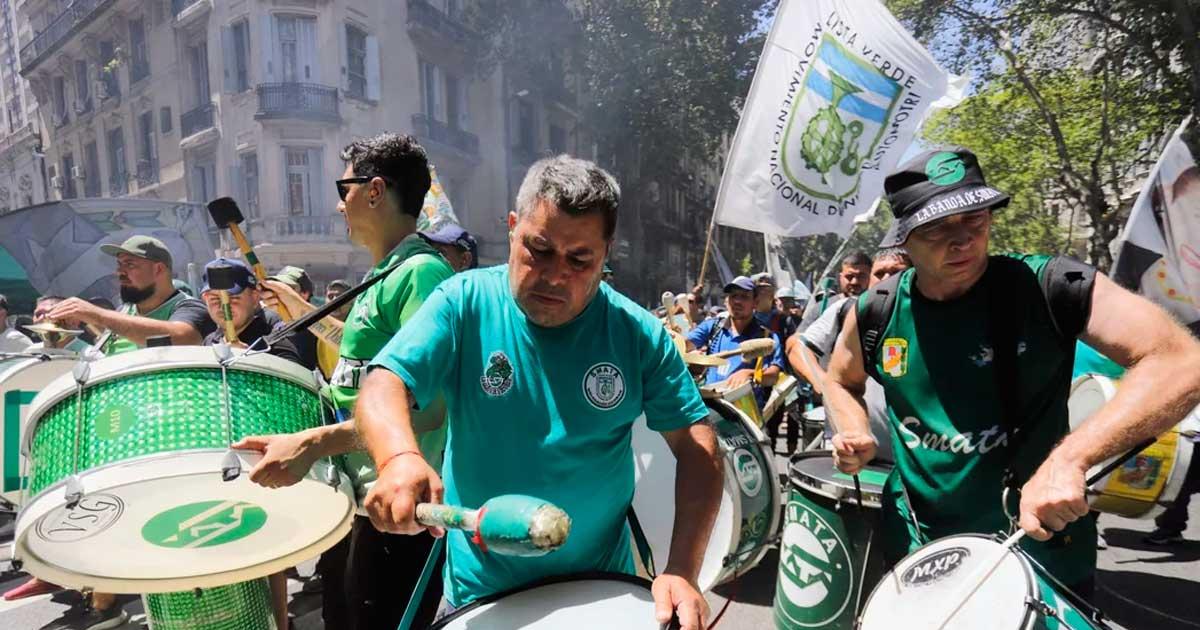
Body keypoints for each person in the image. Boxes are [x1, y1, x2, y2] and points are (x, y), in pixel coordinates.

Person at [356, 155, 722, 630]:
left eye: (579, 260)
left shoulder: (638, 334)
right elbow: (384, 382)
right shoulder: (462, 303)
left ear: (607, 252)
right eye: (539, 250)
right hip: (480, 594)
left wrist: (683, 571)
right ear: (512, 229)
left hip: (600, 590)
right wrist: (399, 456)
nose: (554, 276)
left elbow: (698, 448)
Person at [824, 148, 1200, 597]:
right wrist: (853, 428)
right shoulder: (875, 310)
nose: (962, 239)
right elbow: (840, 379)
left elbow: (1180, 361)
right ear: (903, 237)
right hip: (917, 544)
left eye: (975, 219)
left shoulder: (1048, 285)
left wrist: (1069, 460)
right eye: (938, 227)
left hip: (1039, 549)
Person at [244, 133, 455, 630]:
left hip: (401, 509)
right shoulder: (384, 275)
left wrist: (314, 442)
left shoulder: (419, 273)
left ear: (375, 189)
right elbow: (361, 356)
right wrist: (299, 311)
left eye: (345, 190)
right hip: (363, 500)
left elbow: (429, 407)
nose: (340, 205)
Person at [198, 258, 300, 630]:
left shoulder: (276, 327)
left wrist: (252, 356)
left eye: (232, 295)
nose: (221, 303)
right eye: (211, 296)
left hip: (270, 446)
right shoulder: (210, 339)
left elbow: (296, 372)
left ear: (255, 294)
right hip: (227, 444)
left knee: (269, 545)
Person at [786, 248, 912, 461]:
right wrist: (826, 384)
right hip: (853, 451)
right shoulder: (848, 309)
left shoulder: (935, 313)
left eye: (897, 272)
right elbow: (796, 345)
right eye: (880, 274)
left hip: (917, 456)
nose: (888, 280)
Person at [47, 235, 215, 354]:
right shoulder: (124, 312)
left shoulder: (189, 307)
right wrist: (69, 330)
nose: (119, 272)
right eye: (119, 264)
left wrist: (96, 314)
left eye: (129, 264)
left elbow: (181, 336)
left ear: (158, 269)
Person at [686, 276, 786, 409]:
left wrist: (749, 373)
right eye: (733, 296)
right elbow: (684, 345)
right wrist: (692, 356)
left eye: (744, 297)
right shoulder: (711, 327)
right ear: (727, 301)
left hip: (744, 413)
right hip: (709, 407)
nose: (737, 301)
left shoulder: (767, 337)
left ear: (755, 303)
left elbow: (773, 376)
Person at [264, 265, 327, 374]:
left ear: (305, 294)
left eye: (289, 289)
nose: (282, 293)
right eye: (280, 288)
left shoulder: (320, 327)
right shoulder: (267, 319)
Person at [798, 252, 872, 330]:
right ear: (840, 277)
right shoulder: (823, 307)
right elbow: (796, 338)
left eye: (861, 276)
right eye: (849, 277)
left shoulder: (878, 307)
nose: (854, 282)